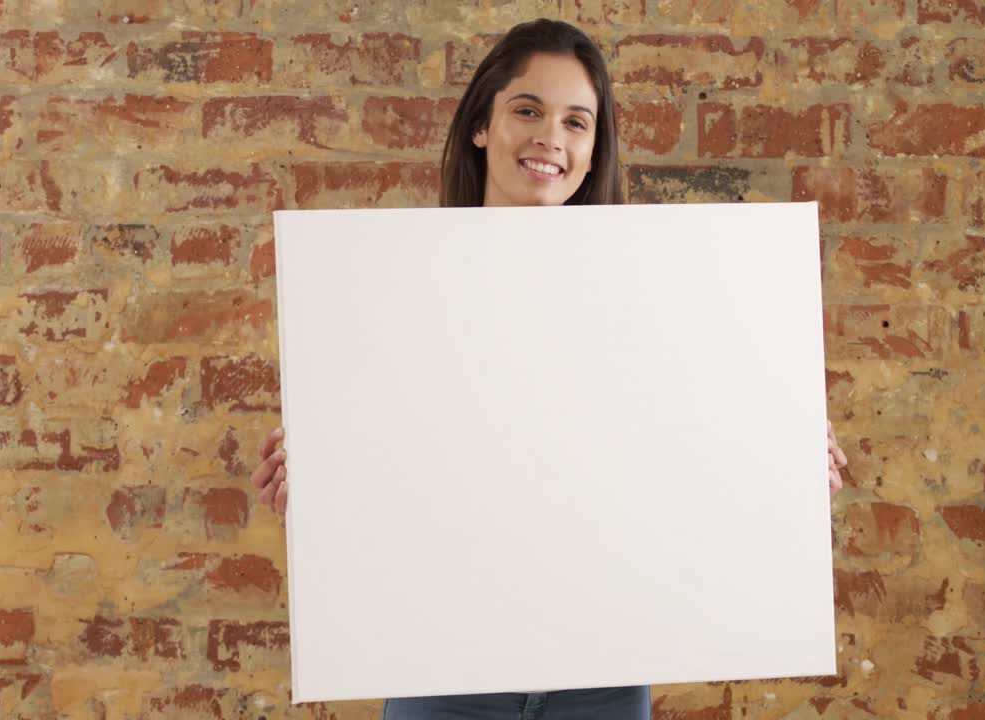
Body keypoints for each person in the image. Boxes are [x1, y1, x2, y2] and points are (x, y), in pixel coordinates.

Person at [249, 18, 849, 720]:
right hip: (441, 664)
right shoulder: (395, 289)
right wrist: (324, 494)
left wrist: (784, 480)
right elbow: (402, 464)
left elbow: (678, 456)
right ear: (482, 124)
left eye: (576, 122)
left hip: (604, 671)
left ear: (594, 151)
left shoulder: (658, 298)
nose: (550, 140)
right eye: (527, 111)